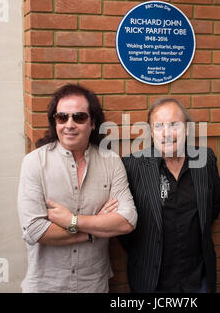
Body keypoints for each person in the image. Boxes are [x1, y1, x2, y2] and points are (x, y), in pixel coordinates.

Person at [17, 83, 137, 292]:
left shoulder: (111, 162)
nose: (69, 124)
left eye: (79, 117)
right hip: (46, 285)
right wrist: (95, 230)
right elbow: (35, 230)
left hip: (94, 284)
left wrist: (70, 221)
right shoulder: (34, 162)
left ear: (93, 123)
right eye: (62, 117)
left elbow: (127, 222)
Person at [119, 98, 220, 293]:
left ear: (187, 129)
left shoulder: (205, 160)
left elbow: (213, 207)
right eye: (158, 126)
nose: (167, 134)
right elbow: (125, 226)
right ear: (150, 132)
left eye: (174, 125)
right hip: (152, 281)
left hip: (197, 278)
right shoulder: (133, 165)